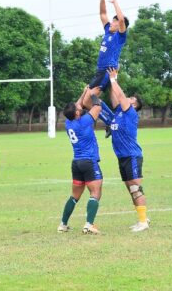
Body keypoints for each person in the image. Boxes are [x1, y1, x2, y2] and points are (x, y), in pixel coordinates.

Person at [99, 67, 149, 232]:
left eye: (131, 98)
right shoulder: (120, 111)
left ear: (133, 104)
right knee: (131, 189)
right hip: (122, 157)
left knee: (135, 188)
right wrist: (112, 78)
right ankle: (142, 217)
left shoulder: (130, 112)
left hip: (132, 155)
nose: (127, 97)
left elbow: (120, 95)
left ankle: (143, 222)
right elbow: (115, 97)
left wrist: (114, 79)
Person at [58, 89, 105, 235]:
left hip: (77, 163)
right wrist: (93, 94)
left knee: (74, 196)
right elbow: (97, 107)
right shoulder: (84, 121)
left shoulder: (68, 122)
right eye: (78, 108)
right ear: (77, 114)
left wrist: (85, 92)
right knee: (96, 191)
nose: (80, 107)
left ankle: (63, 224)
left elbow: (77, 104)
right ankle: (89, 225)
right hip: (88, 161)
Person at [86, 0, 129, 98]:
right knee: (87, 99)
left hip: (108, 70)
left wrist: (115, 3)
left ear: (120, 26)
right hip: (100, 70)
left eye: (114, 21)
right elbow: (103, 13)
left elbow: (121, 20)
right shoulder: (107, 31)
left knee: (90, 97)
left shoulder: (120, 37)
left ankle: (106, 111)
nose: (111, 22)